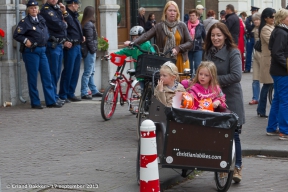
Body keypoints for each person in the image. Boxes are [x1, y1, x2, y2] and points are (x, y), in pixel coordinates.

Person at [204, 22, 245, 183]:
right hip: (212, 100)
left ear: (225, 36)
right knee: (218, 134)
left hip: (231, 98)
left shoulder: (233, 52)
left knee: (234, 134)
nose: (216, 38)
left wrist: (213, 81)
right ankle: (221, 167)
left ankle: (238, 167)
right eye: (213, 35)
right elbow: (203, 71)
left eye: (219, 35)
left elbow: (236, 76)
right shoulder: (208, 53)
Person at [125, 1, 193, 81]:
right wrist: (133, 43)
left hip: (180, 60)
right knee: (165, 86)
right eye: (170, 10)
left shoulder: (182, 25)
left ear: (177, 13)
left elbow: (190, 42)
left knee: (181, 87)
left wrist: (178, 48)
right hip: (164, 61)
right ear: (165, 12)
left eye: (175, 11)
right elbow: (146, 36)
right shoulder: (159, 26)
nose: (172, 13)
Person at [13, 0, 62, 109]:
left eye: (35, 8)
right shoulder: (24, 22)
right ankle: (35, 102)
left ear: (38, 9)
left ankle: (51, 101)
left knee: (47, 76)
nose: (34, 9)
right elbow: (17, 35)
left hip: (42, 51)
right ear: (28, 10)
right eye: (31, 8)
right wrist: (26, 40)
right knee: (33, 78)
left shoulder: (41, 20)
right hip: (31, 52)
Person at [40, 0, 70, 105]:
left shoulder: (57, 8)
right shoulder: (46, 10)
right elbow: (58, 25)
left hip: (59, 45)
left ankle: (55, 97)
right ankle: (52, 99)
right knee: (52, 73)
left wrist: (64, 12)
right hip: (52, 45)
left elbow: (67, 23)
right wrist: (64, 23)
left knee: (56, 73)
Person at [266, 8, 288, 139]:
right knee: (284, 101)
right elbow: (277, 53)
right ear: (283, 19)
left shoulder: (280, 31)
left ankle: (272, 127)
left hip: (278, 71)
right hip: (282, 72)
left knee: (278, 99)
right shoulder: (282, 32)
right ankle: (284, 130)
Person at [114, 26, 155, 91]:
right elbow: (124, 51)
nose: (134, 39)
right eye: (133, 37)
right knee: (143, 90)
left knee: (149, 89)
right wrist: (112, 55)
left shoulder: (146, 44)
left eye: (137, 37)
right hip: (139, 73)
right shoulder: (133, 47)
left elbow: (153, 53)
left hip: (147, 72)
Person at [59, 0, 84, 102]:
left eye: (77, 4)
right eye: (76, 4)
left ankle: (70, 92)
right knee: (68, 71)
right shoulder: (65, 14)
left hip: (77, 45)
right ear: (72, 4)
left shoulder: (74, 14)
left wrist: (81, 36)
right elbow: (63, 30)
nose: (77, 6)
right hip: (70, 46)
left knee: (75, 71)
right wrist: (65, 41)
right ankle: (63, 94)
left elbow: (75, 28)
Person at [80, 6, 103, 100]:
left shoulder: (86, 23)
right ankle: (84, 92)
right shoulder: (89, 24)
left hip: (90, 50)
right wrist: (94, 50)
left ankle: (94, 91)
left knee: (91, 72)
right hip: (90, 51)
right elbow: (89, 39)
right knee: (88, 72)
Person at [257, 8, 275, 118]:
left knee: (268, 85)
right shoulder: (265, 29)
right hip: (268, 61)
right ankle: (261, 109)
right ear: (266, 18)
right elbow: (272, 42)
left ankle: (261, 109)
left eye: (274, 16)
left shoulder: (272, 27)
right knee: (267, 85)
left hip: (272, 60)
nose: (273, 19)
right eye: (271, 17)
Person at [249, 12, 261, 105]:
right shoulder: (254, 29)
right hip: (256, 55)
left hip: (264, 56)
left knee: (269, 80)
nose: (256, 21)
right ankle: (255, 97)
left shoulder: (264, 29)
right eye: (254, 20)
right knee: (255, 78)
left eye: (257, 19)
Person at [244, 6, 260, 73]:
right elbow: (248, 26)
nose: (253, 12)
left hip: (257, 38)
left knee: (258, 53)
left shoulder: (260, 17)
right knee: (249, 54)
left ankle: (259, 67)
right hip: (250, 37)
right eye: (253, 11)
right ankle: (247, 68)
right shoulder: (249, 18)